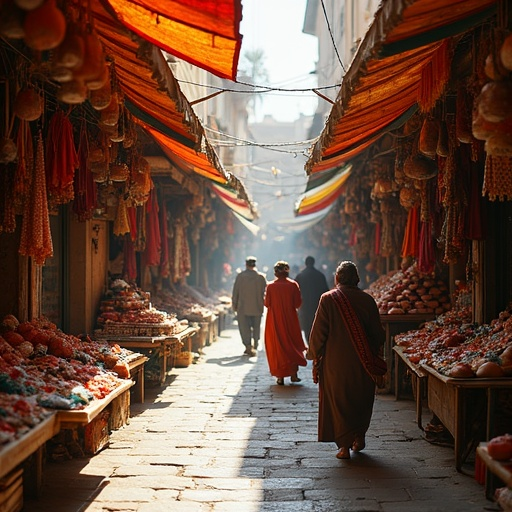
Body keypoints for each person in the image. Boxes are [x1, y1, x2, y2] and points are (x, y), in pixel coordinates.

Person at [307, 260, 385, 460]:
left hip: (335, 365)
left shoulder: (328, 299)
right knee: (361, 399)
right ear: (357, 279)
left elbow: (318, 334)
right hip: (363, 363)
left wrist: (313, 355)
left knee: (339, 402)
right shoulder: (368, 300)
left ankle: (343, 447)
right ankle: (358, 437)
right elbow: (378, 334)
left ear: (337, 278)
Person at [264, 261, 307, 385]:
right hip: (290, 319)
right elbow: (297, 304)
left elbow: (267, 304)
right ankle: (293, 374)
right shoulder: (293, 285)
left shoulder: (271, 286)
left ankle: (280, 376)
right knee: (291, 343)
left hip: (275, 320)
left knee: (278, 345)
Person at [231, 256, 267, 357]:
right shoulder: (261, 277)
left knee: (244, 327)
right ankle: (255, 341)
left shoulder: (240, 277)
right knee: (256, 326)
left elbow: (235, 292)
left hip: (243, 307)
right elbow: (266, 292)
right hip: (257, 307)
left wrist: (234, 305)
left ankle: (248, 345)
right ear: (255, 265)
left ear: (246, 265)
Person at [295, 256, 329, 342]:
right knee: (317, 326)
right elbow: (325, 291)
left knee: (307, 327)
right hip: (317, 305)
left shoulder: (300, 276)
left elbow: (295, 292)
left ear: (305, 263)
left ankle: (309, 345)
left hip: (304, 305)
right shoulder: (320, 275)